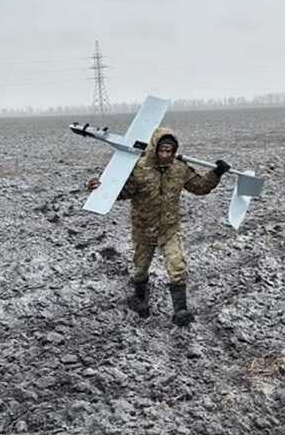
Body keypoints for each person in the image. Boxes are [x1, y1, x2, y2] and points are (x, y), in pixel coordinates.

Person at [85, 126, 230, 327]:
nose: (165, 155)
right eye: (162, 150)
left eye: (169, 151)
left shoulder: (180, 169)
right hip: (144, 229)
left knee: (177, 267)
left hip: (169, 229)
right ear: (154, 149)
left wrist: (216, 173)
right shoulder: (139, 169)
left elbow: (200, 187)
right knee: (140, 269)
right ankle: (140, 298)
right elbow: (121, 192)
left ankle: (180, 310)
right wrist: (98, 187)